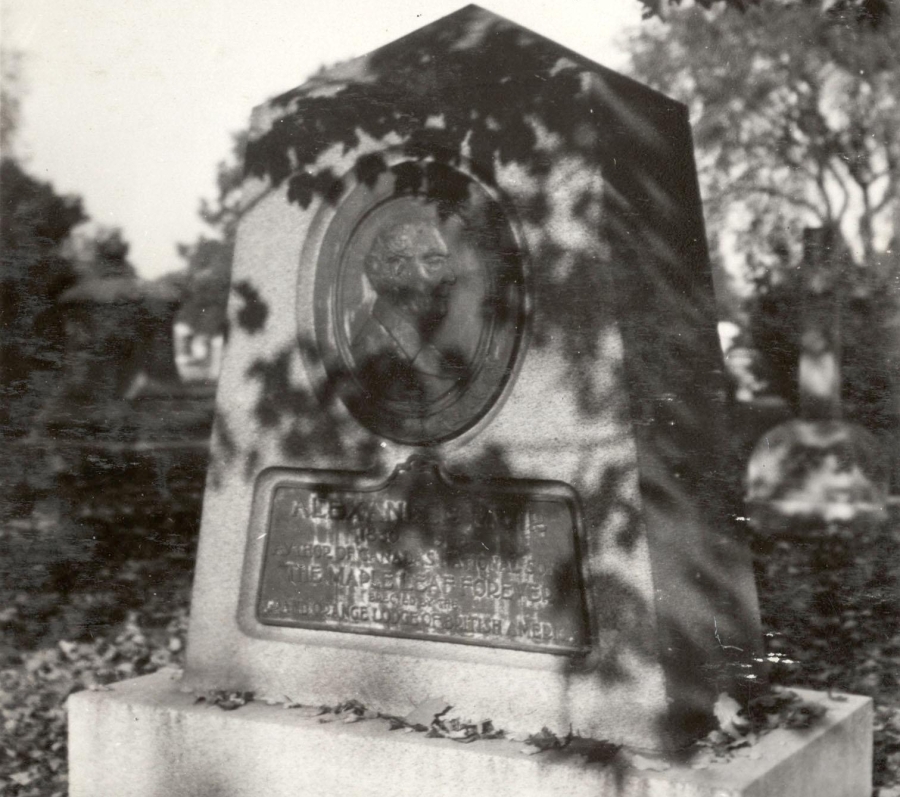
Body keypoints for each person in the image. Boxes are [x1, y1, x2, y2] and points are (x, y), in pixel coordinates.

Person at [350, 220, 466, 404]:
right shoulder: (372, 352)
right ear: (395, 269)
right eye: (434, 262)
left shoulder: (425, 349)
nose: (450, 277)